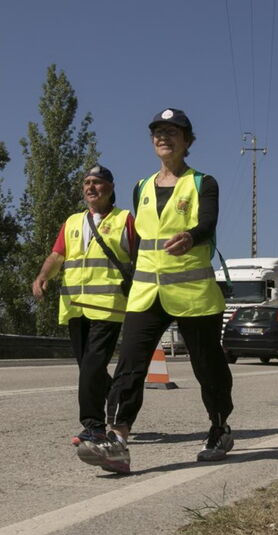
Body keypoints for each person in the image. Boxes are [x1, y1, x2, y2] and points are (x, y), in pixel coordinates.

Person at [77, 108, 234, 474]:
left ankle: (219, 427)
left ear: (187, 140)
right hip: (147, 294)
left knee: (207, 367)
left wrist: (192, 236)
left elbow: (208, 223)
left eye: (172, 132)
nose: (163, 137)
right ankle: (117, 441)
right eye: (157, 132)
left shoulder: (202, 183)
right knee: (130, 365)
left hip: (193, 294)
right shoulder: (141, 187)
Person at [32, 165, 136, 447]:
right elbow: (57, 256)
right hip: (75, 307)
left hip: (108, 307)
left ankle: (94, 426)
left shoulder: (125, 220)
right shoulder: (72, 222)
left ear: (111, 188)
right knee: (88, 367)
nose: (91, 187)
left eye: (98, 182)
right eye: (87, 183)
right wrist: (43, 276)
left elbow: (140, 260)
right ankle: (118, 398)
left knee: (92, 365)